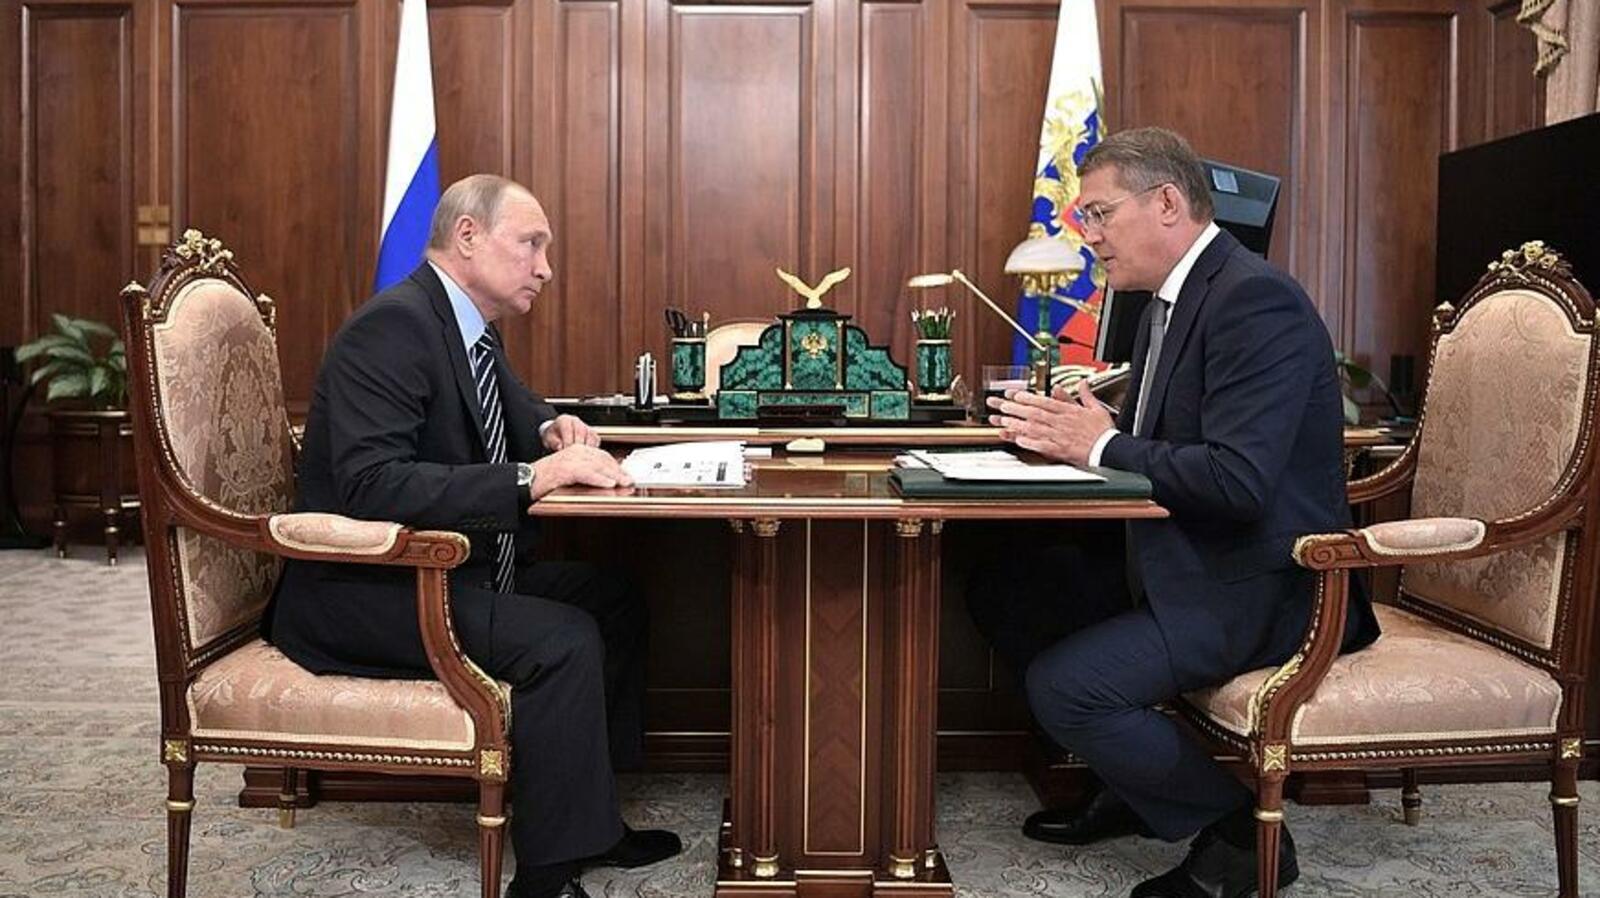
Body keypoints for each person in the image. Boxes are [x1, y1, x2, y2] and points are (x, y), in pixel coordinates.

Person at [972, 127, 1380, 897]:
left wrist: (1101, 445)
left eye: (1099, 214)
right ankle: (1128, 788)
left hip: (1262, 585)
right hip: (1184, 552)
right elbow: (1170, 442)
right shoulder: (1167, 300)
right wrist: (1086, 431)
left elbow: (1237, 480)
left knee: (1067, 687)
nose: (1088, 236)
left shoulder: (1253, 300)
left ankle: (1238, 834)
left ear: (1165, 203)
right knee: (1006, 586)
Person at [264, 174, 680, 898]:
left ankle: (591, 823)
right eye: (531, 245)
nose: (545, 268)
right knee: (564, 638)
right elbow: (371, 485)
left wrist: (550, 427)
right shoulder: (391, 329)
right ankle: (547, 875)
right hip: (368, 589)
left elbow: (510, 405)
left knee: (611, 598)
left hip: (447, 572)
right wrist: (530, 479)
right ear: (467, 237)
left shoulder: (464, 326)